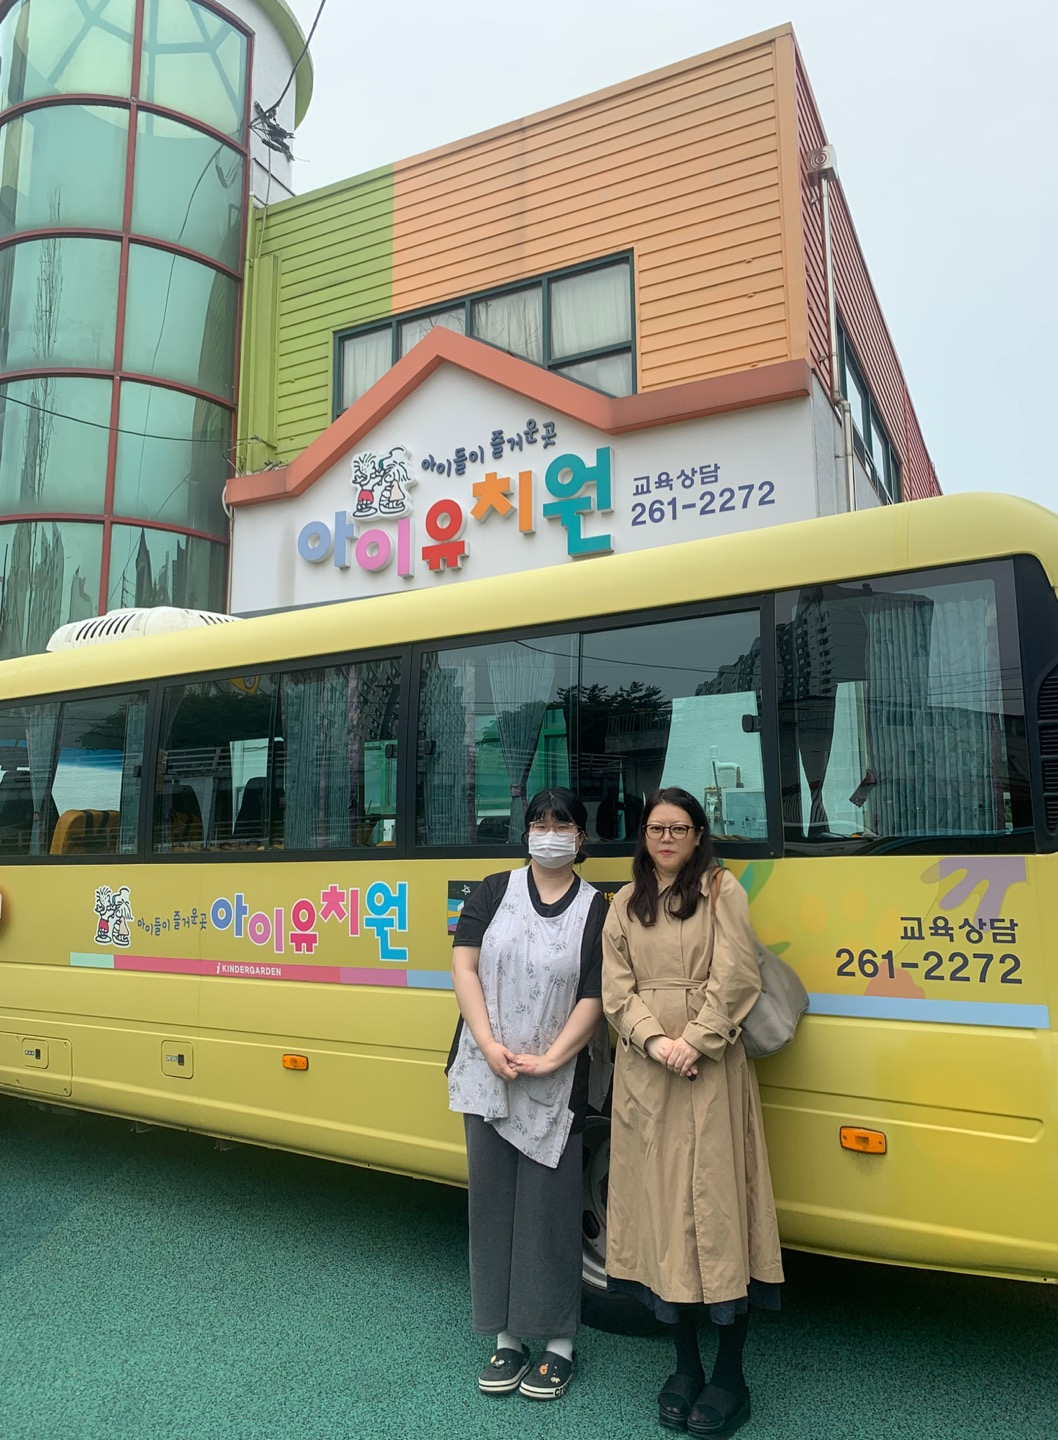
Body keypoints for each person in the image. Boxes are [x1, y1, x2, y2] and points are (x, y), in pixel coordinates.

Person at [602, 786, 783, 1438]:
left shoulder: (721, 890)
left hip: (712, 1069)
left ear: (699, 834)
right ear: (643, 835)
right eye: (656, 828)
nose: (667, 838)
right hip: (646, 1073)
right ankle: (684, 1366)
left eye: (679, 828)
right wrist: (655, 1041)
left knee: (721, 1209)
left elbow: (739, 976)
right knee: (660, 1215)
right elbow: (615, 990)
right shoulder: (624, 902)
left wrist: (695, 1041)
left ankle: (730, 1374)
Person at [447, 787, 607, 1401]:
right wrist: (489, 1045)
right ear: (526, 833)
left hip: (557, 1080)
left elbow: (595, 995)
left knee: (548, 1211)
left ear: (580, 838)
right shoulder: (493, 891)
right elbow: (464, 967)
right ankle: (507, 1337)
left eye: (561, 824)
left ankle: (559, 1341)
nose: (549, 833)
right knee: (492, 1209)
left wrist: (553, 1058)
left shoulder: (597, 909)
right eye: (539, 823)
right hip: (486, 1071)